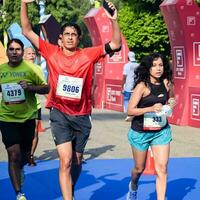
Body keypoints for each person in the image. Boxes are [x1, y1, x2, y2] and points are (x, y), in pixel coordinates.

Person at [20, 0, 121, 199]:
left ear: (79, 38)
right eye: (66, 34)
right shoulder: (51, 52)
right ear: (60, 39)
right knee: (65, 160)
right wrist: (24, 3)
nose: (70, 37)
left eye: (74, 34)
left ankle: (70, 187)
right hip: (59, 113)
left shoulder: (88, 54)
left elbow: (116, 44)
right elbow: (26, 30)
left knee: (76, 161)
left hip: (82, 115)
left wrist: (114, 21)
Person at [0, 38, 49, 200]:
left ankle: (20, 168)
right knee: (13, 154)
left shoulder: (31, 68)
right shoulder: (1, 70)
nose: (14, 52)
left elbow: (46, 87)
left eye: (18, 49)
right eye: (11, 49)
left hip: (28, 117)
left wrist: (30, 88)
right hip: (6, 117)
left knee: (25, 155)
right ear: (7, 52)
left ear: (22, 52)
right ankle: (19, 193)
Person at [126, 53, 175, 200]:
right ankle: (133, 185)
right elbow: (130, 110)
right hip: (140, 132)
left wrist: (171, 104)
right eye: (154, 66)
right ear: (148, 68)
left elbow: (171, 97)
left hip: (161, 131)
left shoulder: (166, 83)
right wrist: (150, 108)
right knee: (139, 168)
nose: (158, 69)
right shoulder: (142, 86)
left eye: (160, 65)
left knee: (162, 168)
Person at [23, 46, 46, 166]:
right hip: (21, 105)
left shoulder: (38, 68)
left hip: (35, 105)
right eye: (29, 53)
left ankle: (31, 156)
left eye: (33, 53)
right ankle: (24, 152)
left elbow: (43, 86)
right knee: (23, 131)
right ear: (23, 55)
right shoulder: (18, 68)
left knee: (35, 131)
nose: (32, 55)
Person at [122, 51, 138, 121]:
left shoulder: (127, 65)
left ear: (128, 57)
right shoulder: (138, 65)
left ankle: (129, 114)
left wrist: (122, 85)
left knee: (126, 100)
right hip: (136, 86)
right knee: (134, 100)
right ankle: (134, 114)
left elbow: (124, 76)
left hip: (128, 86)